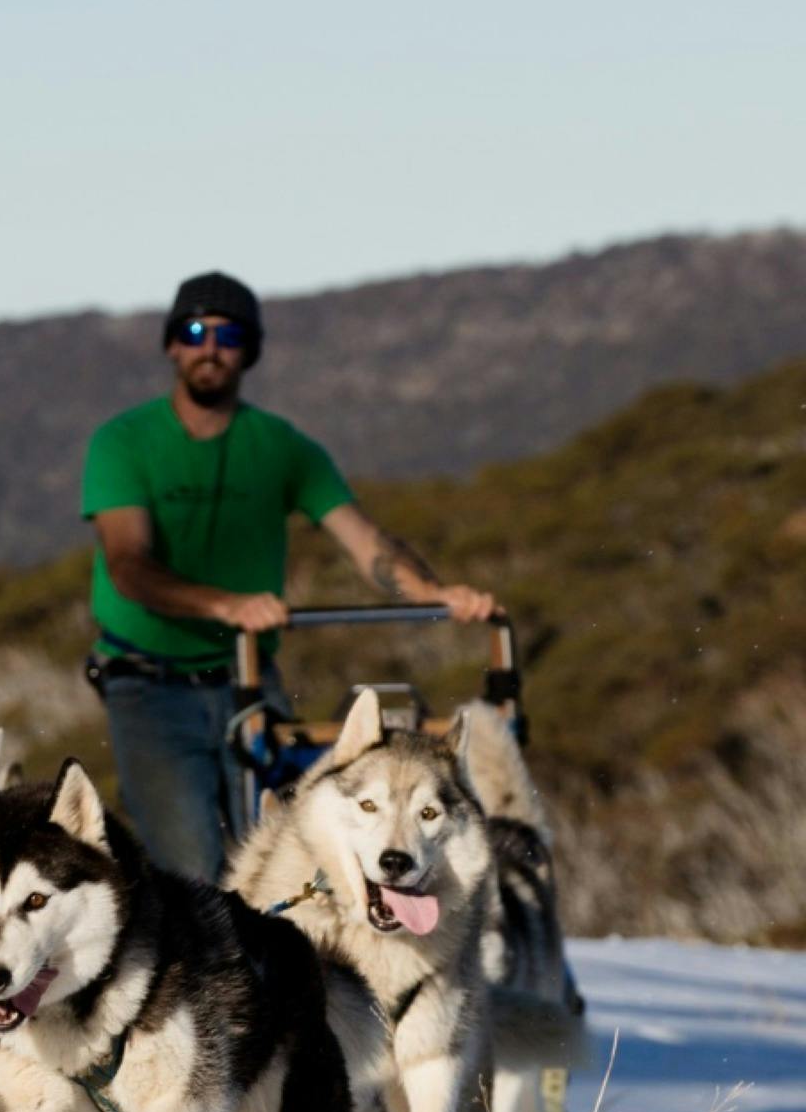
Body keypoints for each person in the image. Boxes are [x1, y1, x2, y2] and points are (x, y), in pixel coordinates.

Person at [80, 270, 497, 884]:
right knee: (191, 863)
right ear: (173, 344)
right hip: (149, 684)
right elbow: (128, 566)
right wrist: (225, 606)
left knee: (286, 837)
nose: (211, 348)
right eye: (196, 331)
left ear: (248, 350)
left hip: (248, 675)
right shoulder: (123, 442)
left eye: (229, 335)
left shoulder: (281, 446)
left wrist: (432, 594)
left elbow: (366, 541)